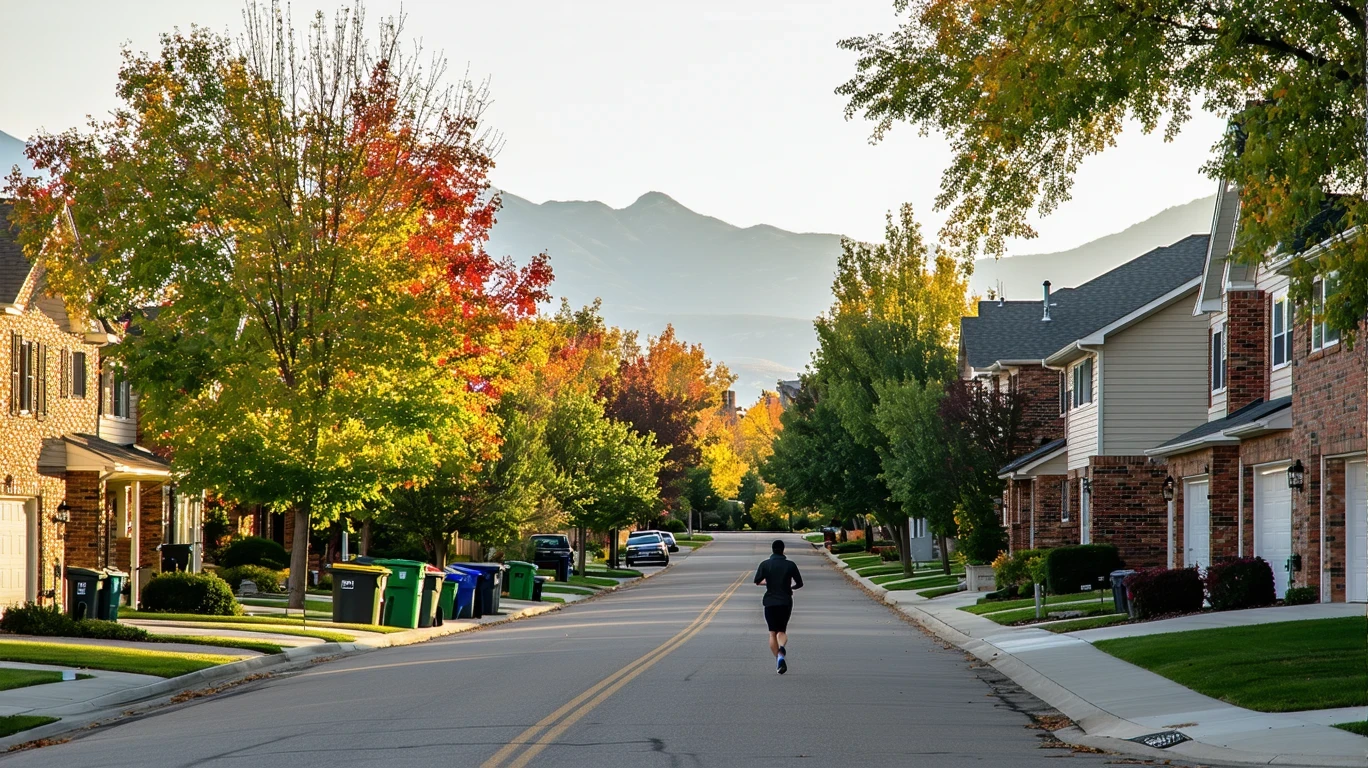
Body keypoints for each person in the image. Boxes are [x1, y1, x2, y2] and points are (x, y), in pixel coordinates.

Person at [754, 538, 802, 674]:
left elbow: (757, 581)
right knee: (781, 631)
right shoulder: (790, 565)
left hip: (769, 602)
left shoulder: (765, 564)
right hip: (785, 601)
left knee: (772, 633)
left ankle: (779, 659)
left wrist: (768, 583)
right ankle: (782, 647)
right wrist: (789, 586)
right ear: (783, 549)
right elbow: (799, 583)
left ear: (772, 549)